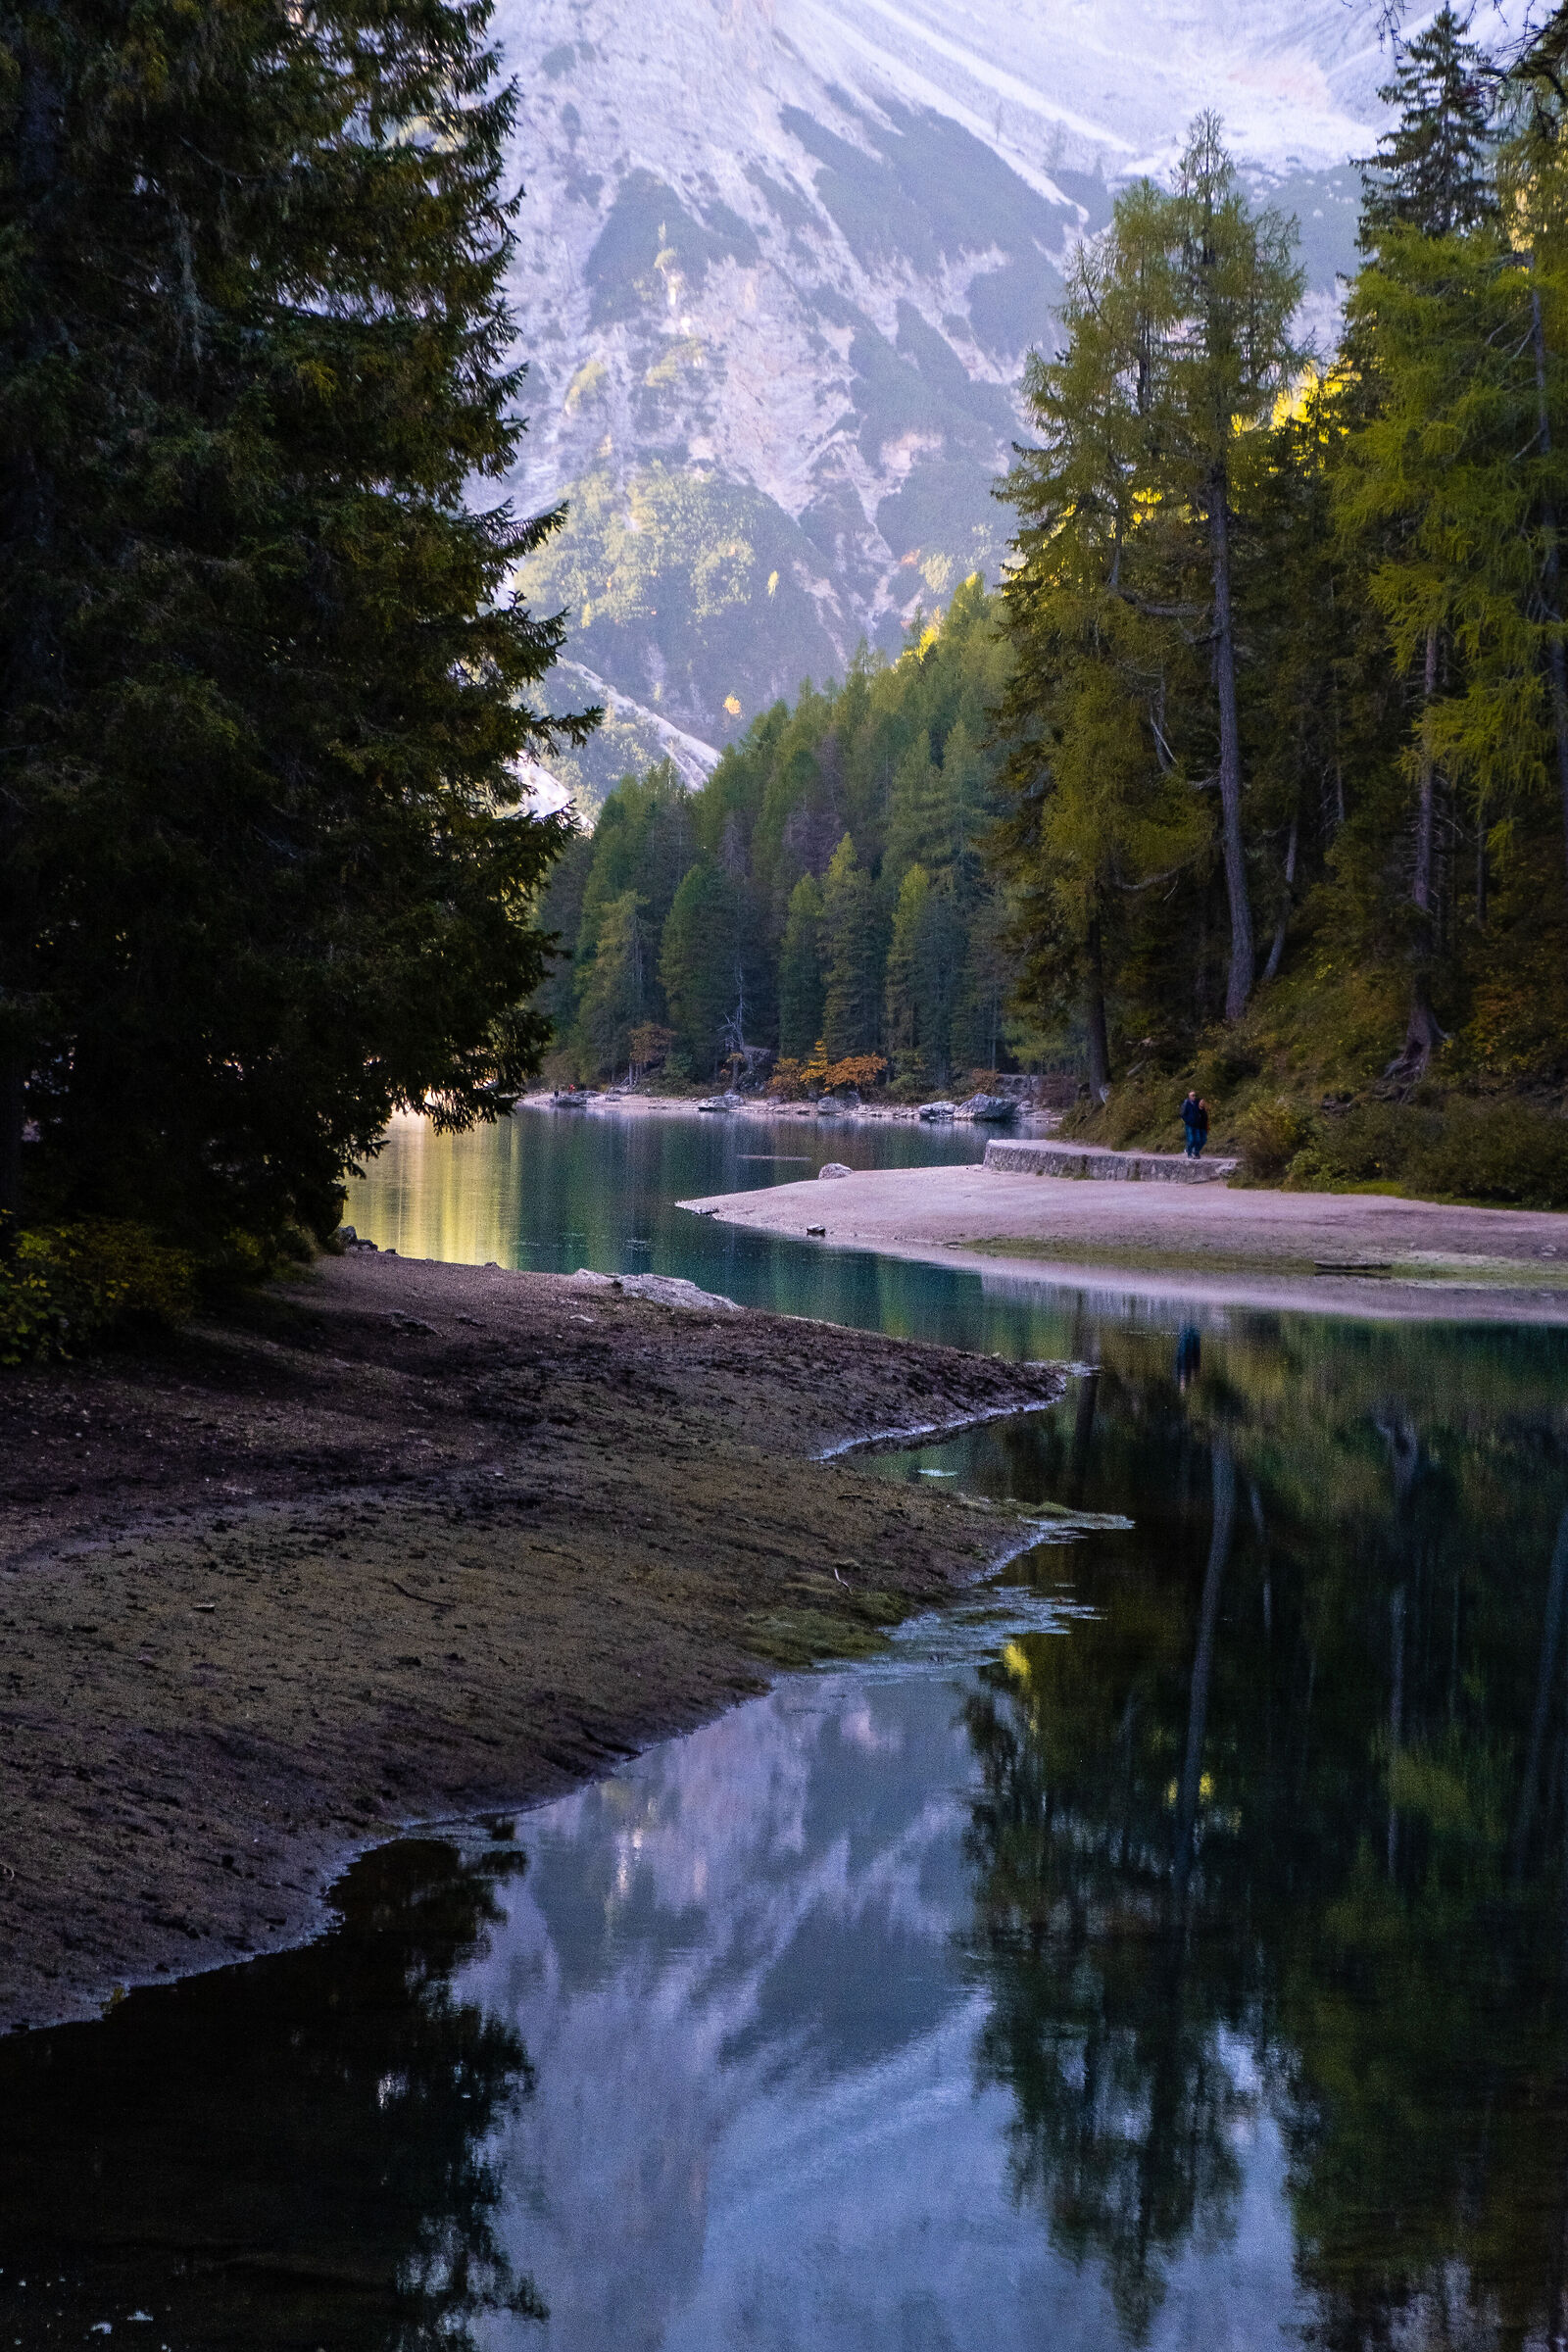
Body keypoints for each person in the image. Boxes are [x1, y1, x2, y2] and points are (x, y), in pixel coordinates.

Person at [1181, 1090, 1203, 1158]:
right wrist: (1188, 1121)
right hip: (1189, 1124)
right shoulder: (1186, 1103)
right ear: (1189, 1096)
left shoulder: (1196, 1103)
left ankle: (1194, 1152)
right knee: (1191, 1139)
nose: (1194, 1097)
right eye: (1192, 1095)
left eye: (1195, 1095)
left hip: (1196, 1124)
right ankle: (1189, 1154)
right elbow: (1182, 1114)